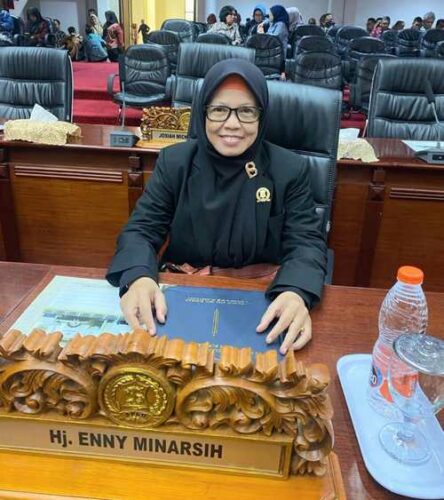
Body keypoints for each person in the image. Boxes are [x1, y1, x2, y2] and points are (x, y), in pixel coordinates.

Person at [106, 59, 327, 354]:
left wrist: (296, 291)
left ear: (261, 116)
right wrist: (139, 276)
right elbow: (141, 230)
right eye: (219, 110)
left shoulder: (289, 169)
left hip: (263, 295)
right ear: (202, 113)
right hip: (185, 292)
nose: (232, 123)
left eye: (246, 111)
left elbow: (307, 243)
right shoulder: (175, 163)